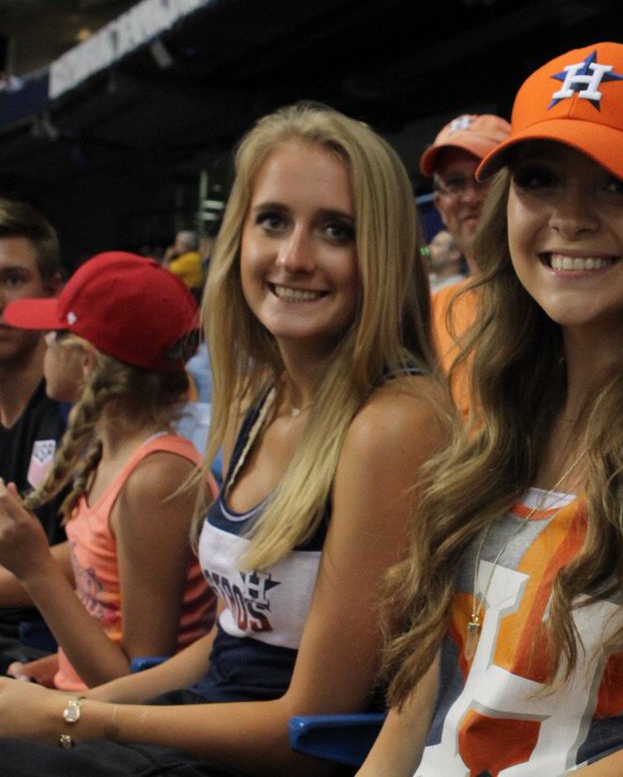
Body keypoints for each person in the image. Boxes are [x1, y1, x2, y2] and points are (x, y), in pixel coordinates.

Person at [360, 42, 623, 776]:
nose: (570, 218)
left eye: (620, 185)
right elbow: (416, 719)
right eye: (540, 181)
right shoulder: (502, 394)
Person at [0, 102, 450, 775]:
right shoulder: (266, 398)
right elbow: (227, 643)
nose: (294, 258)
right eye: (273, 221)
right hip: (202, 723)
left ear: (382, 252)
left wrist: (77, 719)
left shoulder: (392, 423)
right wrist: (65, 708)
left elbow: (308, 730)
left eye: (336, 230)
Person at [0, 251, 215, 690]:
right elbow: (102, 620)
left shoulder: (155, 481)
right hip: (85, 705)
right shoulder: (109, 455)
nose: (44, 343)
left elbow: (138, 683)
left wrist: (35, 567)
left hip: (124, 735)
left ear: (87, 364)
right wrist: (49, 671)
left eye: (56, 334)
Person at [0, 198, 67, 667]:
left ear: (53, 290)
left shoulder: (86, 410)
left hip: (43, 646)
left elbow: (99, 557)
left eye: (13, 279)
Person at [420, 113, 511, 416]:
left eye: (484, 178)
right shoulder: (431, 314)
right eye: (455, 184)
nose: (470, 197)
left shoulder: (559, 301)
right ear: (439, 205)